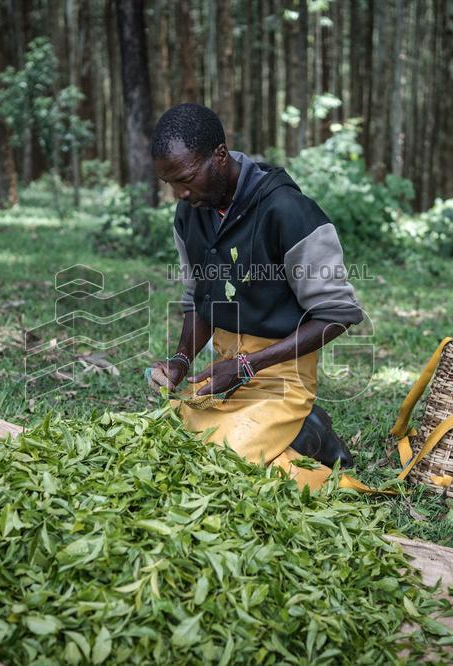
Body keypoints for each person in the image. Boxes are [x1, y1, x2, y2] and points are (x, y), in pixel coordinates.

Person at [147, 103, 365, 490]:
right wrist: (180, 361)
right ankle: (301, 432)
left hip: (281, 377)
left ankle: (312, 441)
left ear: (219, 155)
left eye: (186, 178)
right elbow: (199, 297)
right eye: (170, 184)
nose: (180, 193)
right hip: (225, 374)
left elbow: (336, 315)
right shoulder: (189, 214)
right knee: (174, 436)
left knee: (228, 464)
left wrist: (248, 366)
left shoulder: (289, 212)